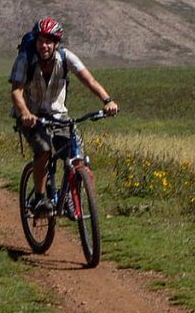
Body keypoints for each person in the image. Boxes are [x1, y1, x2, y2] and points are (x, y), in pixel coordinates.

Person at [10, 16, 119, 214]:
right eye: (40, 41)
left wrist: (107, 100)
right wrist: (25, 114)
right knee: (43, 150)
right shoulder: (25, 59)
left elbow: (89, 80)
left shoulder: (66, 57)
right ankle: (40, 199)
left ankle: (71, 196)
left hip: (58, 115)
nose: (44, 45)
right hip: (31, 115)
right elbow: (16, 91)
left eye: (48, 41)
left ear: (56, 43)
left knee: (76, 155)